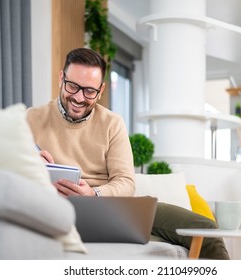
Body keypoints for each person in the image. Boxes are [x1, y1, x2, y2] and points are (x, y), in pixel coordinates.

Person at [26, 48, 230, 260]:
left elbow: (125, 181)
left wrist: (93, 194)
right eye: (73, 86)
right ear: (61, 78)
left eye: (89, 91)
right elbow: (5, 174)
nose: (79, 98)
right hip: (53, 209)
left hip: (108, 209)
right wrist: (27, 164)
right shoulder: (31, 118)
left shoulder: (112, 123)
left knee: (206, 230)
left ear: (101, 89)